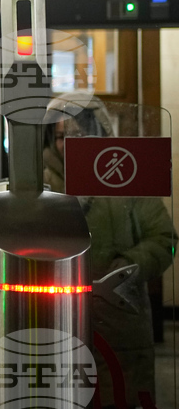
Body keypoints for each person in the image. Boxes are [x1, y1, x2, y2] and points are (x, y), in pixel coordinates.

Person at [43, 93, 175, 408]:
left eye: (79, 135)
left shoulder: (126, 178)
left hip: (120, 327)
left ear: (99, 135)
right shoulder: (37, 185)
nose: (69, 144)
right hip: (54, 325)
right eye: (62, 137)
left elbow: (163, 237)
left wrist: (125, 268)